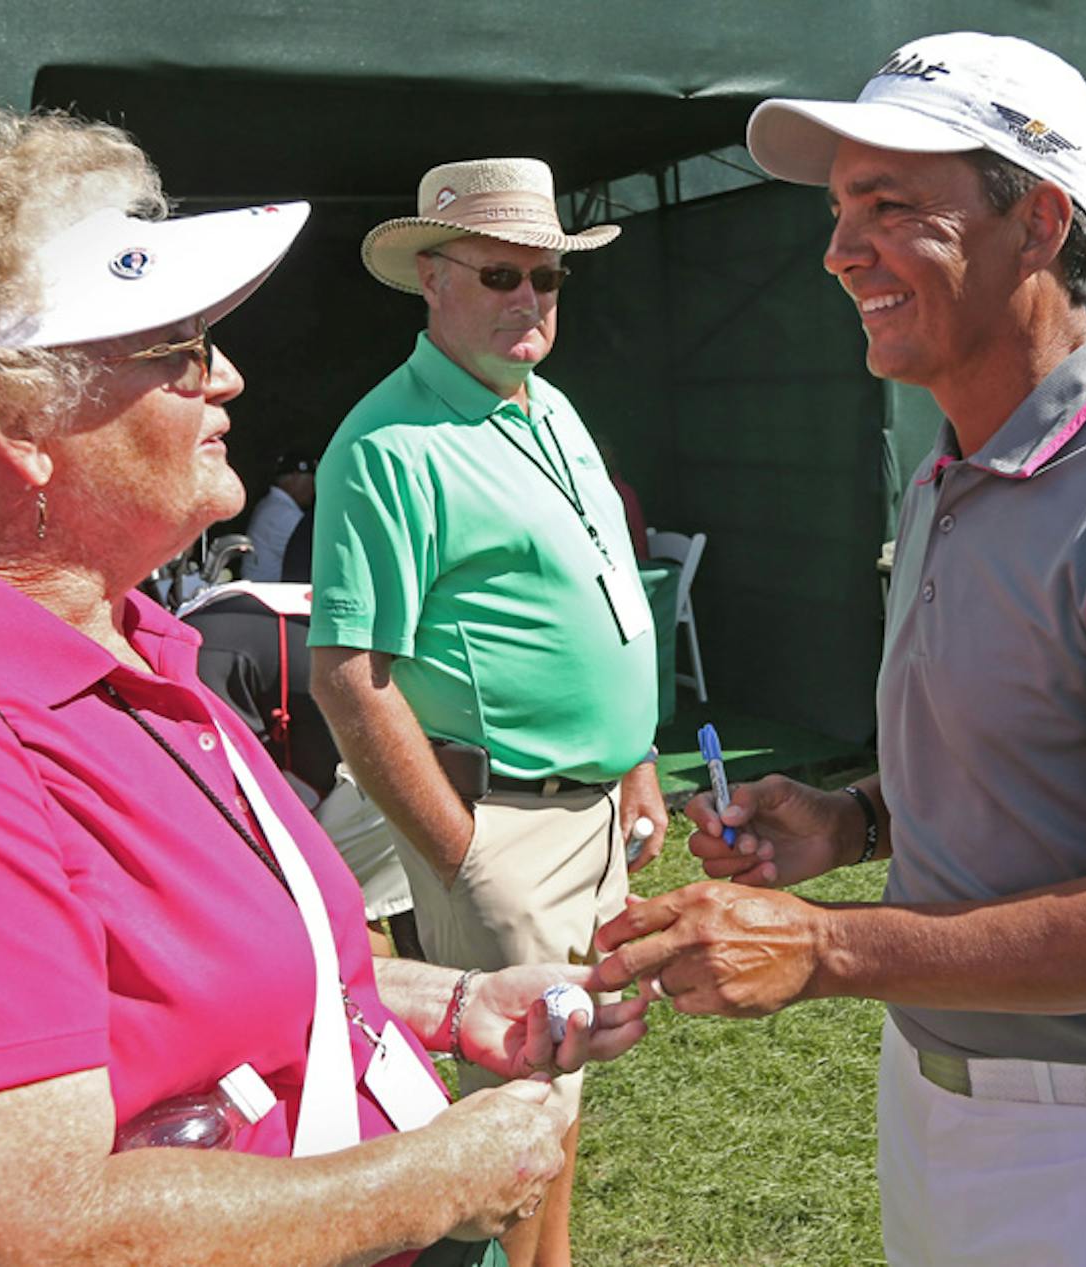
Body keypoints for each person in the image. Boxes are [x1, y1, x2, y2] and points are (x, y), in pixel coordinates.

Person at [0, 106, 645, 1267]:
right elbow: (4, 1235)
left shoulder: (138, 649)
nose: (230, 378)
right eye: (180, 350)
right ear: (16, 425)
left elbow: (204, 988)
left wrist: (443, 1004)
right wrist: (431, 1180)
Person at [593, 32, 1086, 1266]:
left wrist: (827, 945)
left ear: (1041, 220)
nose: (842, 250)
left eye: (893, 206)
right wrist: (855, 820)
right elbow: (1045, 757)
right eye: (843, 210)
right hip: (945, 1101)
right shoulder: (953, 468)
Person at [310, 157, 666, 1267]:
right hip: (503, 823)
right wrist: (464, 855)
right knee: (517, 1104)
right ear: (433, 278)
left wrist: (634, 760)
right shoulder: (386, 446)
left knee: (554, 1089)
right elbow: (346, 674)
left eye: (548, 278)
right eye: (502, 274)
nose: (530, 299)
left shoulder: (544, 403)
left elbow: (606, 594)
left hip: (591, 812)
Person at [181, 580, 423, 961]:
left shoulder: (194, 656)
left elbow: (233, 800)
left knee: (332, 900)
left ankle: (367, 1012)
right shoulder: (212, 618)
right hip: (415, 722)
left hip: (402, 739)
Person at [241, 449, 316, 580]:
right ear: (295, 477)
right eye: (311, 480)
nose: (314, 487)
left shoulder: (272, 505)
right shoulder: (283, 514)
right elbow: (314, 558)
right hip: (267, 594)